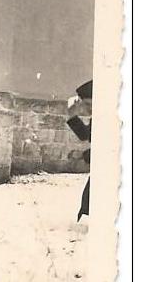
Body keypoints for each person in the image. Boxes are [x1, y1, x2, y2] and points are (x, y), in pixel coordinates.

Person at [67, 80, 92, 222]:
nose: (87, 109)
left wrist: (82, 156)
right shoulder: (98, 119)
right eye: (85, 104)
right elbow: (85, 135)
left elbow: (106, 150)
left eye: (89, 104)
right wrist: (72, 116)